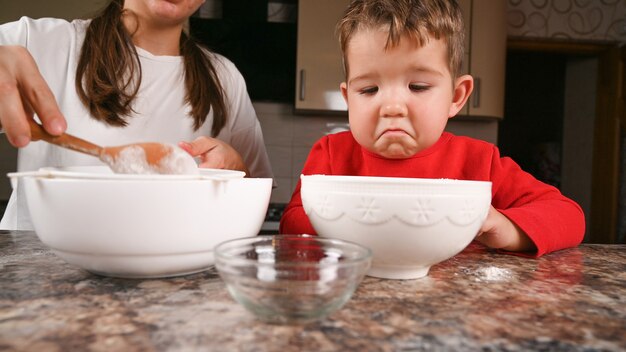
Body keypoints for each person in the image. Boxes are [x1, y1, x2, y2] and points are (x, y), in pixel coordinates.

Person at [279, 0, 585, 257]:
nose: (392, 106)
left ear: (456, 96)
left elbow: (569, 215)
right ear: (348, 99)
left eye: (418, 86)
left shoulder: (479, 162)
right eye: (370, 90)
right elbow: (292, 223)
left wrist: (504, 226)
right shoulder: (332, 154)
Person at [0, 0, 274, 230]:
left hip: (174, 282)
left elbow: (254, 197)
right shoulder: (35, 41)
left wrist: (239, 171)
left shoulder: (225, 79)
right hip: (39, 278)